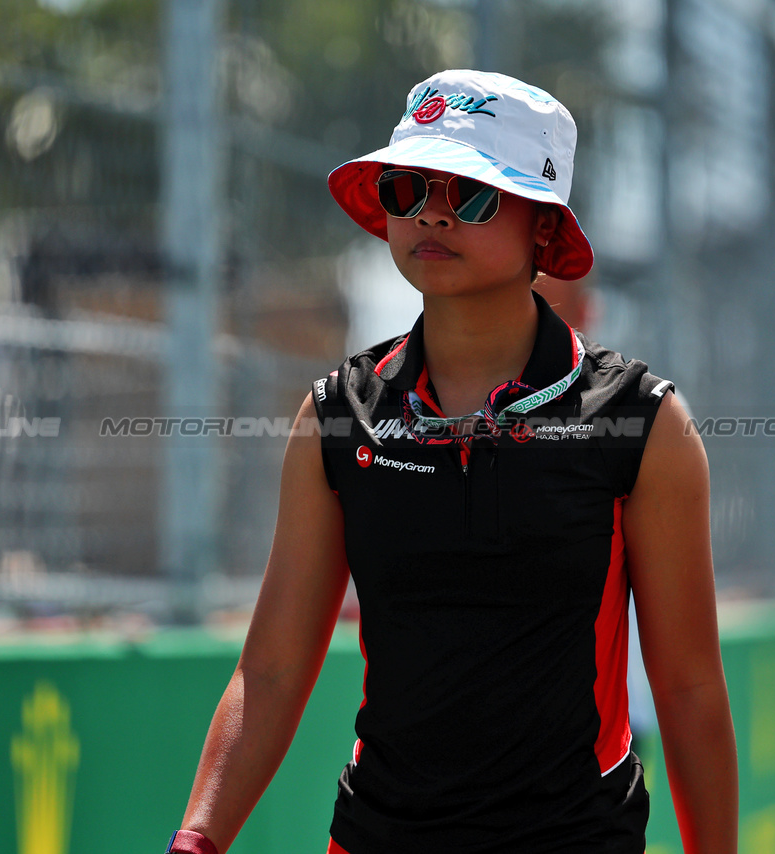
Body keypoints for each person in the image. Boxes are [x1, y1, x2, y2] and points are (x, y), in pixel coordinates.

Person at [165, 70, 737, 854]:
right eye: (407, 187)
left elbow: (689, 689)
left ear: (544, 226)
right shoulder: (338, 414)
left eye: (470, 193)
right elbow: (270, 670)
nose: (432, 211)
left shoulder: (642, 422)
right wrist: (197, 839)